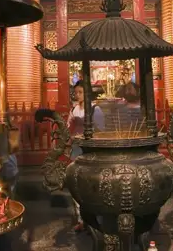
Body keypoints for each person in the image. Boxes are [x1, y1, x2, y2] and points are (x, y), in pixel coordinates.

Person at [68, 80, 105, 231]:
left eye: (80, 92)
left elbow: (102, 130)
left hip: (90, 148)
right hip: (76, 148)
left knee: (93, 183)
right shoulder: (75, 109)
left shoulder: (95, 109)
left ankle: (97, 218)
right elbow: (68, 125)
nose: (77, 95)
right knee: (75, 182)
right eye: (76, 92)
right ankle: (81, 218)